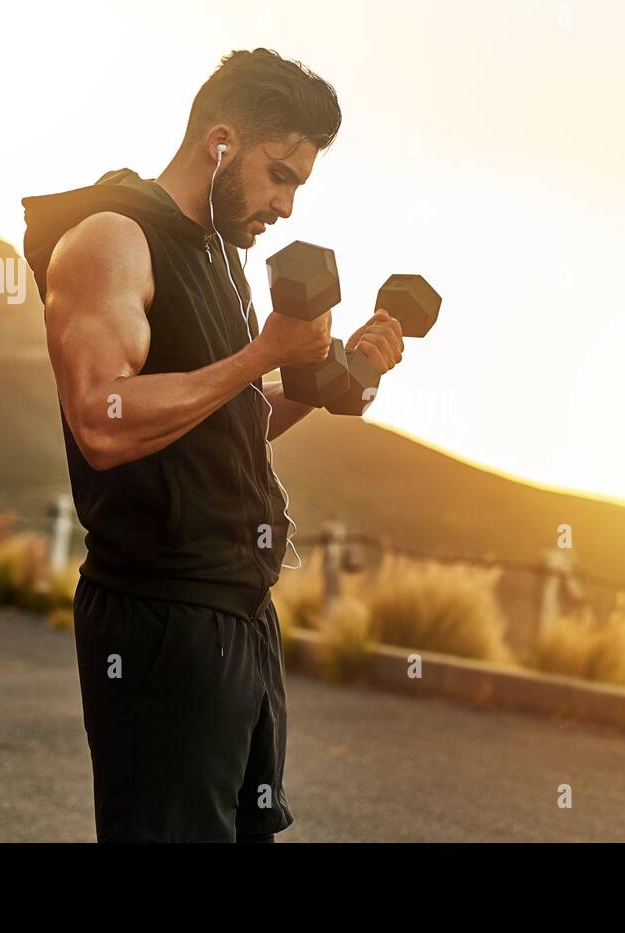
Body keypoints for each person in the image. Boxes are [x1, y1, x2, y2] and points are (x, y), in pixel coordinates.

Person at [21, 48, 404, 842]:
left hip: (239, 621)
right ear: (222, 144)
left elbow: (229, 415)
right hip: (160, 623)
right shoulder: (109, 239)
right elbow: (101, 416)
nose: (288, 206)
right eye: (281, 174)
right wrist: (262, 352)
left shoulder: (219, 258)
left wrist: (337, 370)